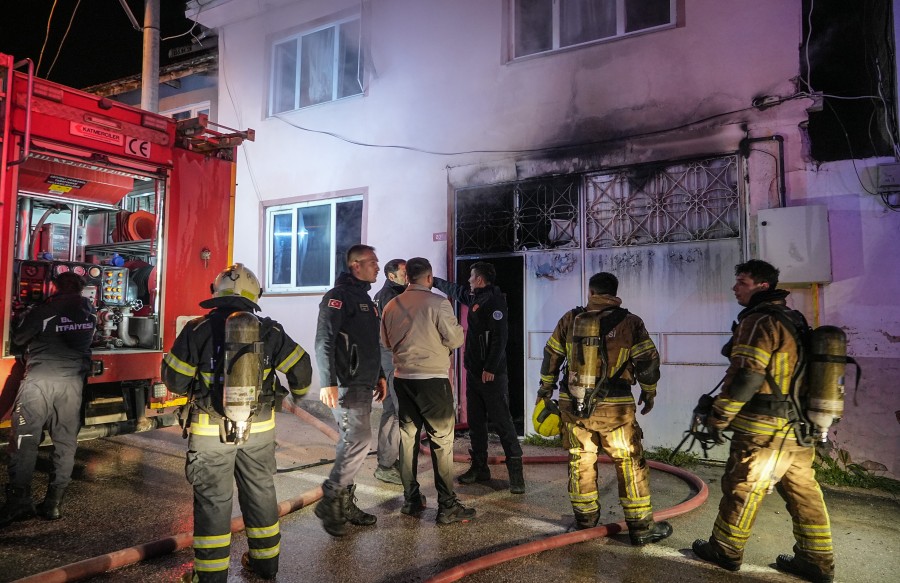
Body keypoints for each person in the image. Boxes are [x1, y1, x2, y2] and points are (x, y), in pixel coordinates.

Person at [161, 263, 312, 582]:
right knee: (259, 493)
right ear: (254, 295)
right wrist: (298, 394)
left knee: (213, 502)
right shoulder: (270, 331)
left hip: (210, 431)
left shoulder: (196, 330)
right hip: (258, 430)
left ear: (216, 293)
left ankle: (210, 577)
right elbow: (302, 368)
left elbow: (174, 381)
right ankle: (265, 566)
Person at [692, 259, 835, 583]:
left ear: (762, 286)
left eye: (742, 282)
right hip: (798, 427)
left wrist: (719, 416)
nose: (735, 288)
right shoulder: (793, 319)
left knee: (744, 485)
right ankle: (817, 560)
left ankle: (725, 550)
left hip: (765, 430)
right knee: (803, 492)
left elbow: (747, 377)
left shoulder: (759, 321)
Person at [538, 272, 672, 545]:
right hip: (615, 409)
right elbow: (648, 362)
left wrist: (545, 389)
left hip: (574, 406)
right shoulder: (631, 323)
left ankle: (585, 522)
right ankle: (641, 528)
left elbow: (551, 355)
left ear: (591, 292)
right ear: (615, 293)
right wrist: (649, 392)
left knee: (580, 459)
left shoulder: (570, 319)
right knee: (629, 462)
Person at [381, 257, 476, 524]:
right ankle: (447, 506)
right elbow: (456, 339)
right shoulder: (438, 303)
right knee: (442, 442)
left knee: (408, 439)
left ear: (408, 277)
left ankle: (411, 500)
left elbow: (385, 342)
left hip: (403, 379)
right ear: (429, 278)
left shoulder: (391, 305)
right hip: (432, 381)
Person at [0, 272, 95, 528]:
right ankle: (53, 503)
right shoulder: (90, 312)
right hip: (72, 385)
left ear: (54, 288)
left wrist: (24, 316)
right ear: (81, 289)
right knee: (65, 442)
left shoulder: (44, 311)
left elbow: (19, 338)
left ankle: (19, 503)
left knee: (24, 440)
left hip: (40, 383)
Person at [314, 244, 387, 537]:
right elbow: (325, 340)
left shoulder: (366, 300)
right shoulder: (338, 297)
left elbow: (370, 343)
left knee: (350, 442)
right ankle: (330, 499)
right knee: (358, 440)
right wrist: (327, 381)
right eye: (373, 262)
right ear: (356, 265)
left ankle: (344, 506)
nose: (378, 267)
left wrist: (379, 375)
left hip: (364, 382)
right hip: (345, 383)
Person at [433, 262, 524, 494]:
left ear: (480, 279)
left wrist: (491, 367)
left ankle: (516, 476)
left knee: (502, 422)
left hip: (491, 375)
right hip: (474, 372)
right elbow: (456, 290)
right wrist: (432, 281)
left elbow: (500, 336)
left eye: (471, 277)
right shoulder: (476, 298)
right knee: (476, 423)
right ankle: (480, 468)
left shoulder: (494, 301)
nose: (469, 280)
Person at [372, 259, 407, 485]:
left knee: (391, 411)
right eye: (404, 272)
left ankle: (388, 461)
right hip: (391, 357)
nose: (408, 276)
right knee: (396, 411)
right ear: (391, 276)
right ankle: (386, 465)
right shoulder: (389, 297)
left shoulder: (388, 295)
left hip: (388, 358)